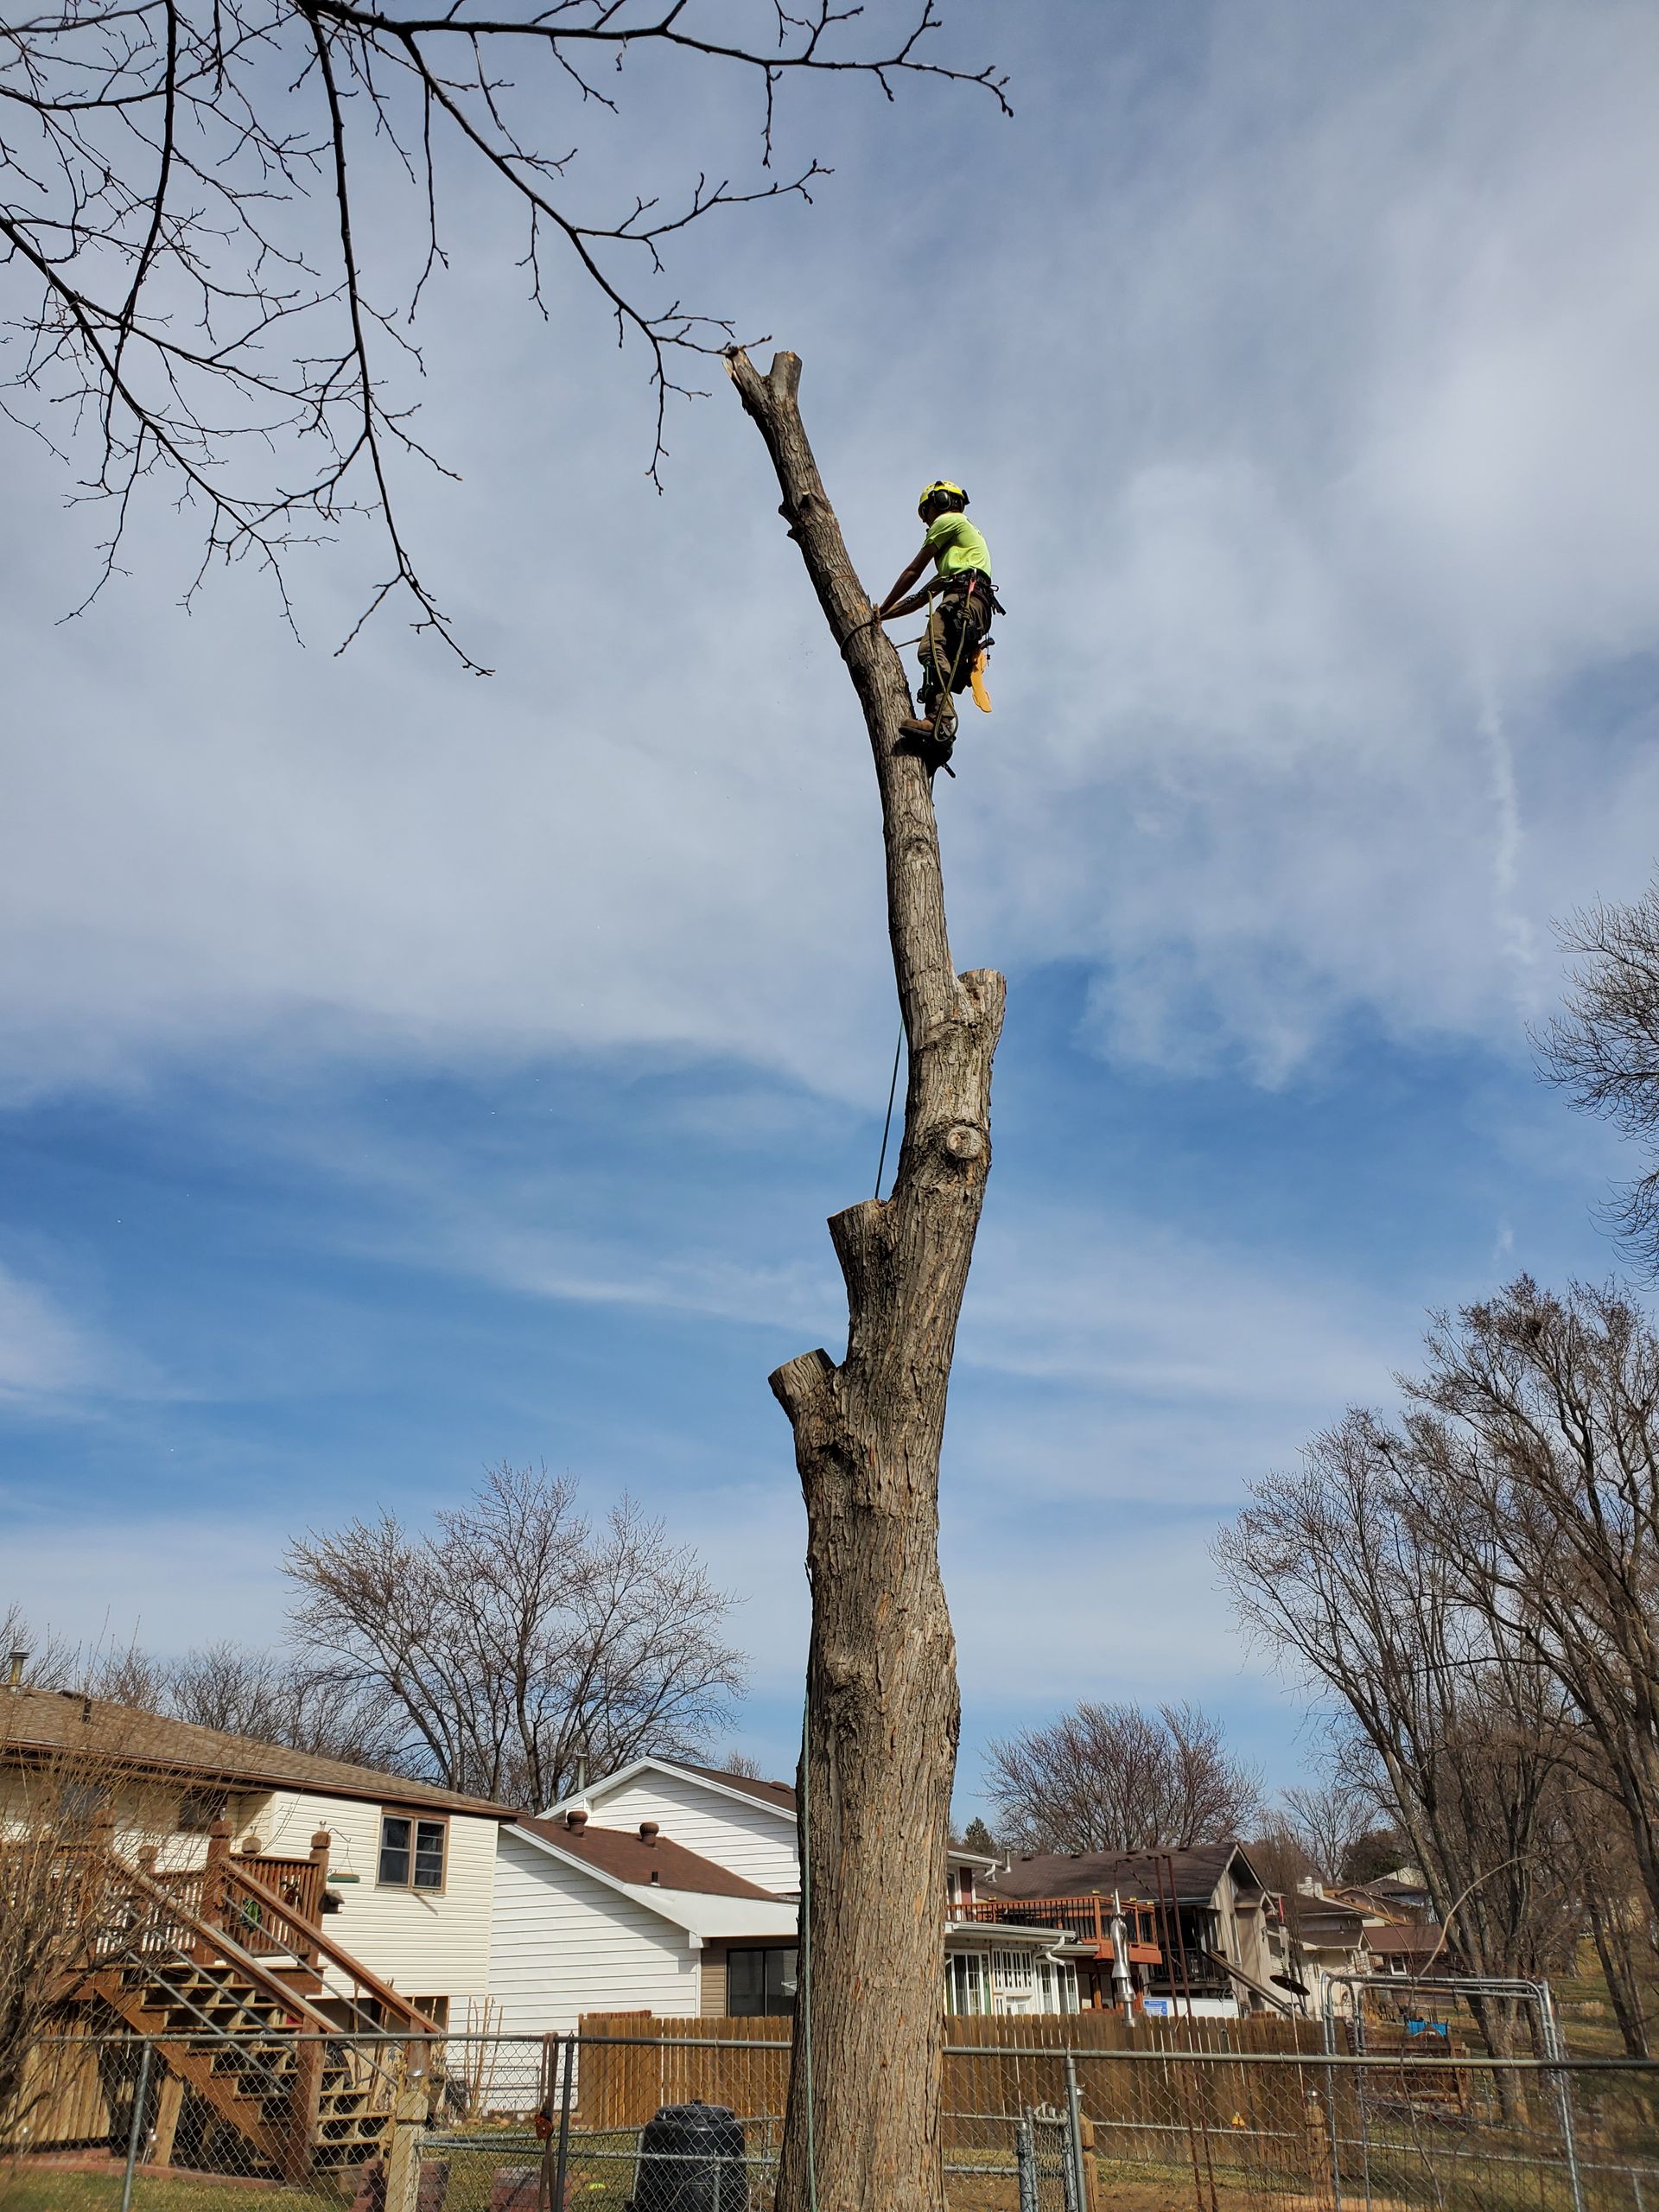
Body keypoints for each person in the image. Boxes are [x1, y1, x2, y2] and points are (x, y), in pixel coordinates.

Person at [877, 480, 1000, 766]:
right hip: (971, 603)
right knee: (936, 655)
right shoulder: (959, 562)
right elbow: (919, 598)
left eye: (927, 514)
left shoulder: (949, 521)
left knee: (930, 649)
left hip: (962, 600)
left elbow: (913, 571)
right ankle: (940, 740)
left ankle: (940, 723)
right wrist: (882, 616)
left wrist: (881, 607)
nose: (927, 524)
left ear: (941, 501)